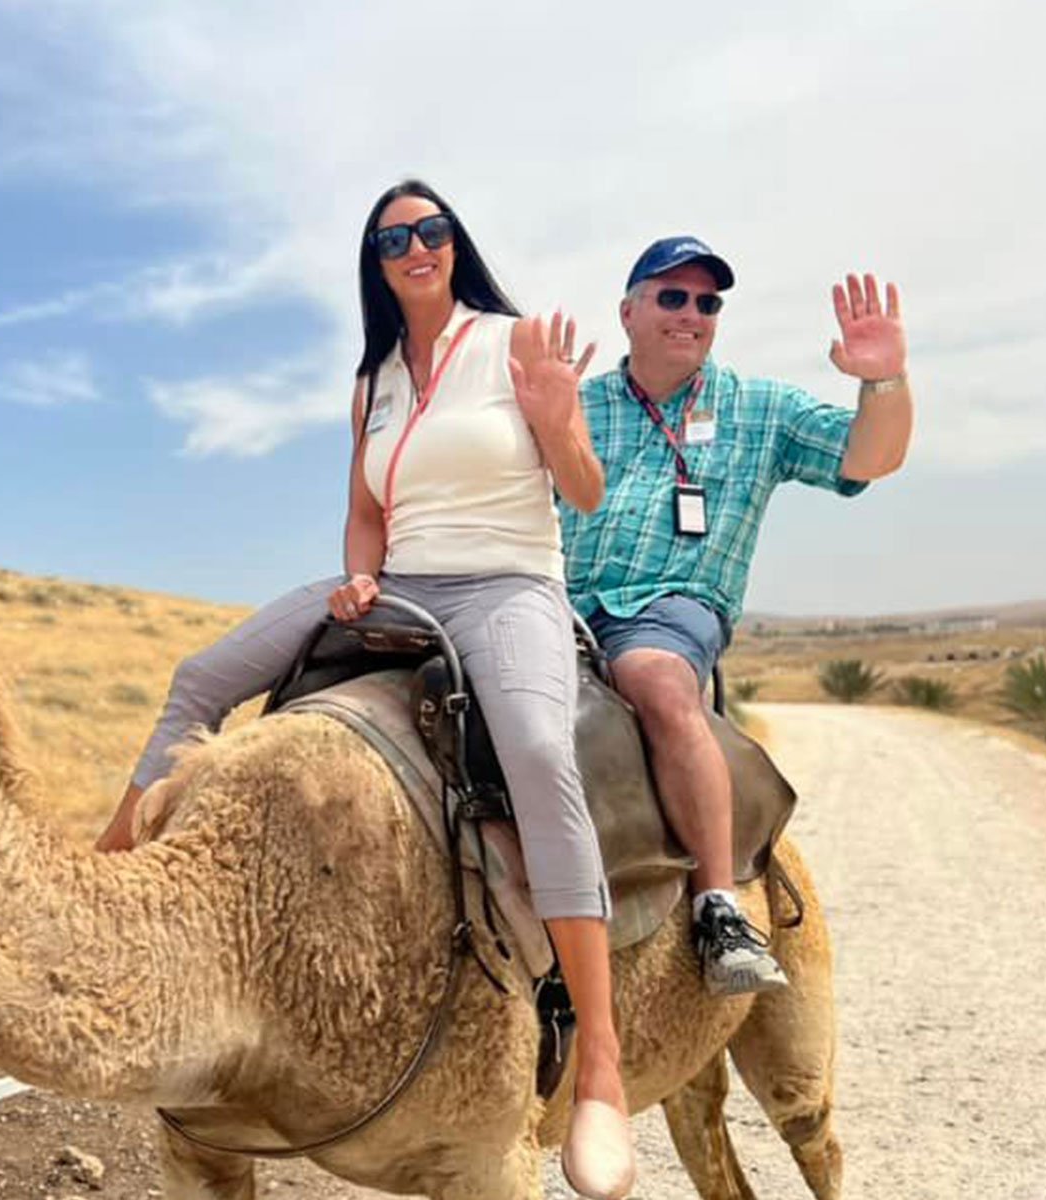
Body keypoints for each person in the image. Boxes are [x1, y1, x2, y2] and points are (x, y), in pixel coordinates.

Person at [97, 179, 635, 1199]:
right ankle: (103, 898)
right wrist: (357, 573)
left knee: (532, 747)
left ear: (453, 245)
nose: (415, 247)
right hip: (399, 585)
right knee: (201, 678)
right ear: (377, 263)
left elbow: (584, 491)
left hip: (508, 584)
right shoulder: (374, 380)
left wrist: (560, 420)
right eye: (395, 238)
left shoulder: (514, 343)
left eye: (431, 231)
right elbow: (365, 509)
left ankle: (599, 1062)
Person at [563, 237, 912, 996]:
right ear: (628, 311)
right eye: (672, 296)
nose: (691, 313)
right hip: (553, 603)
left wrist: (883, 382)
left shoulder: (760, 409)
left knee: (655, 682)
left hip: (666, 610)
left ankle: (718, 911)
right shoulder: (572, 404)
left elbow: (869, 458)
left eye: (707, 302)